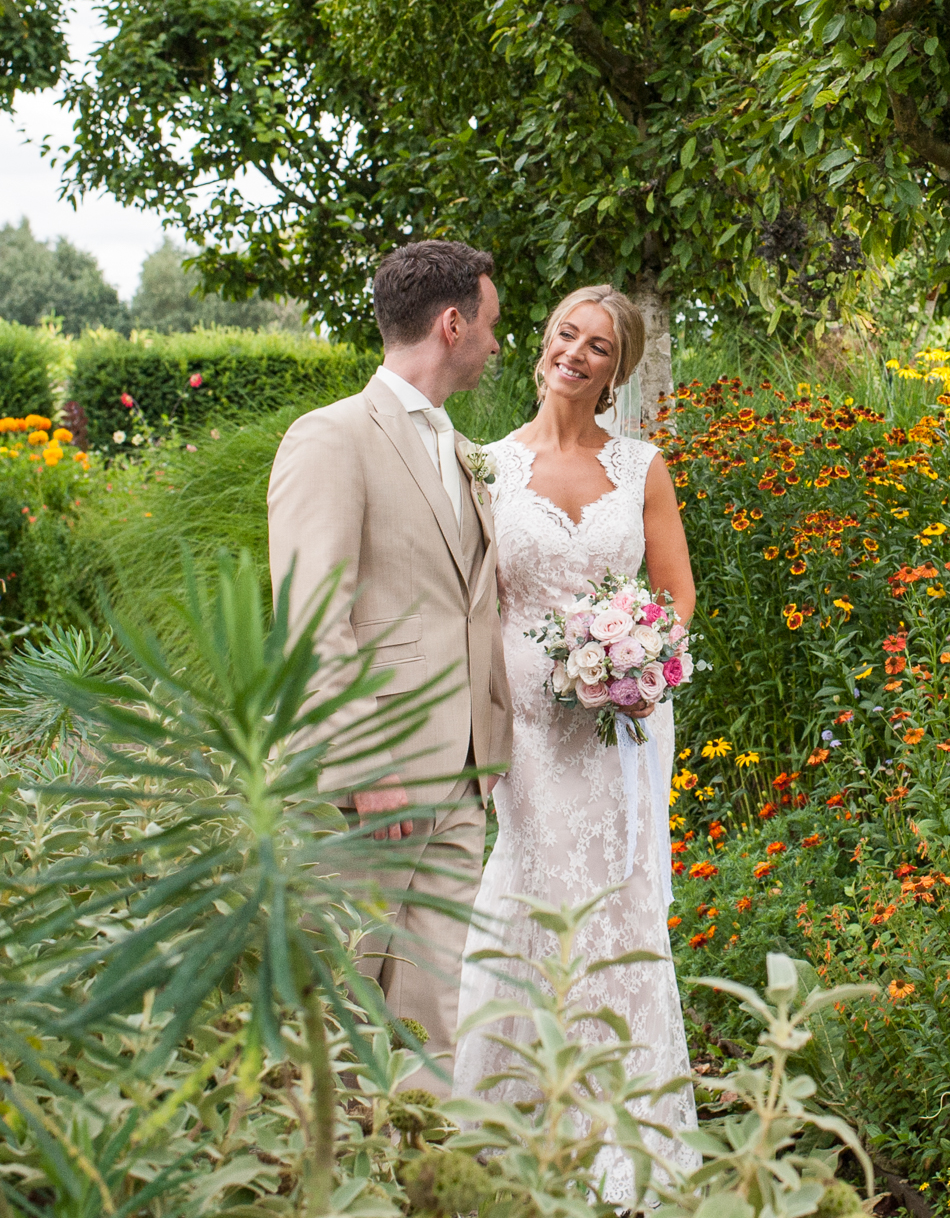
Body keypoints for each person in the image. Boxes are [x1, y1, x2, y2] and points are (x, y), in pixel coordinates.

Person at [451, 284, 698, 1200]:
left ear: (618, 370)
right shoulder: (484, 465)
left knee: (619, 896)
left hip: (624, 724)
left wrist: (639, 664)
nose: (577, 354)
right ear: (543, 345)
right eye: (566, 334)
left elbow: (676, 594)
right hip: (527, 723)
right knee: (532, 884)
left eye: (599, 346)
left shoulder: (641, 468)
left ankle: (621, 1136)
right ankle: (507, 1122)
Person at [267, 239, 513, 1093]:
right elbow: (309, 618)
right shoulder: (331, 438)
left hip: (462, 777)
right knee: (333, 1003)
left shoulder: (461, 450)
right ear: (452, 324)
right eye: (490, 323)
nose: (496, 342)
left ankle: (420, 1178)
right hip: (374, 785)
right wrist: (363, 763)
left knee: (437, 1018)